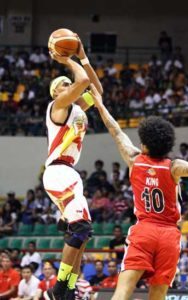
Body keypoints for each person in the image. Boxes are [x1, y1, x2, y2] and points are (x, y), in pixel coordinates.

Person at [90, 83, 188, 300]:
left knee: (123, 291)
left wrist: (100, 104)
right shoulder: (174, 166)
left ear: (147, 141)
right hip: (169, 234)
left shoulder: (133, 159)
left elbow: (115, 130)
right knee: (158, 294)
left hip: (144, 230)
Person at [43, 36, 103, 300]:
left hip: (69, 172)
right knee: (80, 228)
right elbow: (81, 82)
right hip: (58, 170)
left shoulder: (77, 108)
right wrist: (67, 59)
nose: (68, 85)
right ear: (57, 93)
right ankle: (60, 286)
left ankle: (67, 289)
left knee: (83, 233)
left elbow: (97, 91)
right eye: (63, 85)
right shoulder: (57, 107)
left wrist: (84, 57)